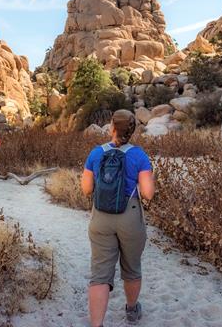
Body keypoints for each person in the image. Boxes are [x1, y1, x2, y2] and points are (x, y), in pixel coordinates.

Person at [81, 109, 155, 326]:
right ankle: (132, 311)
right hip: (129, 215)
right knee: (132, 268)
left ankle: (97, 324)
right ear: (132, 130)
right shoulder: (139, 155)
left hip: (101, 216)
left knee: (100, 275)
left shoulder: (96, 153)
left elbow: (86, 189)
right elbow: (148, 193)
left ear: (111, 127)